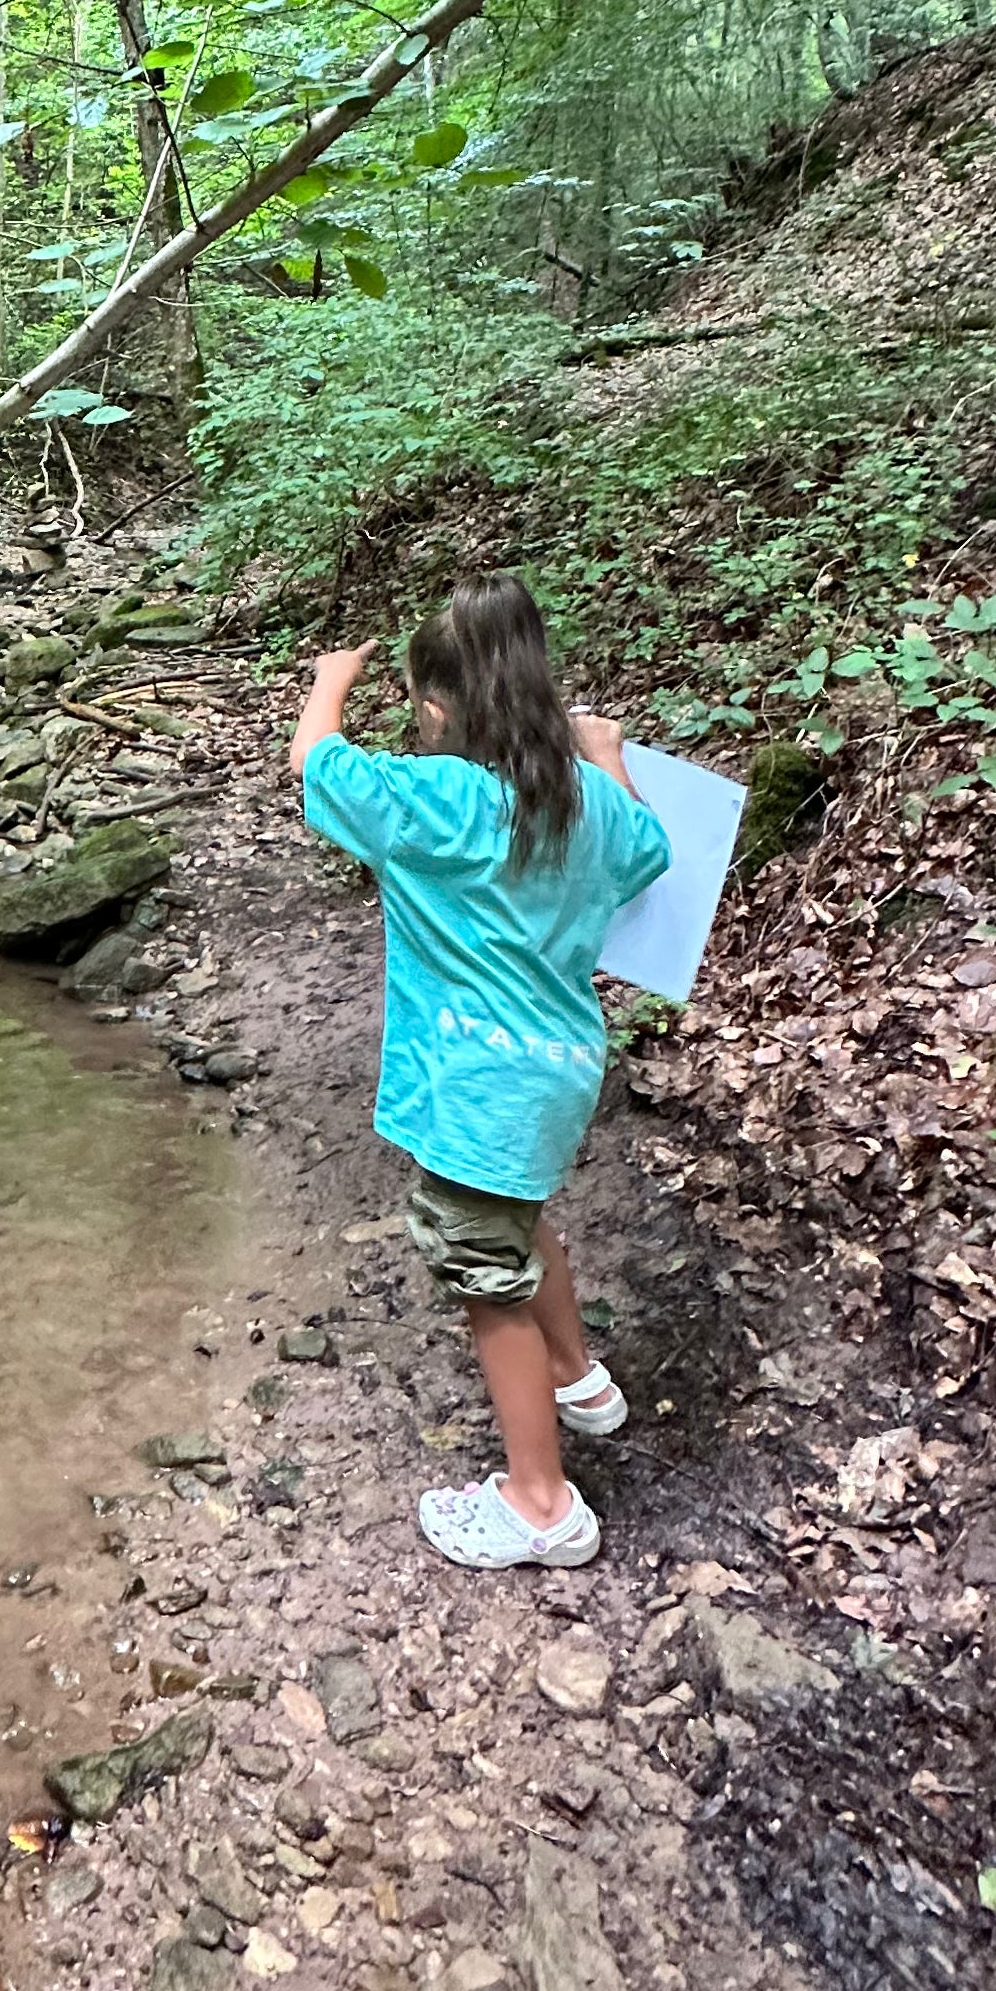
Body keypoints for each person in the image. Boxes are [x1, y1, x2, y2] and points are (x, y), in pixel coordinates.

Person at [291, 576, 670, 1571]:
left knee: (485, 1277)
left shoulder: (436, 803)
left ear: (435, 709)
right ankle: (580, 1380)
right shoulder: (584, 800)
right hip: (560, 1071)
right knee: (520, 1215)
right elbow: (650, 851)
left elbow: (317, 761)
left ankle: (541, 1505)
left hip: (474, 1085)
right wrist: (608, 755)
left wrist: (331, 681)